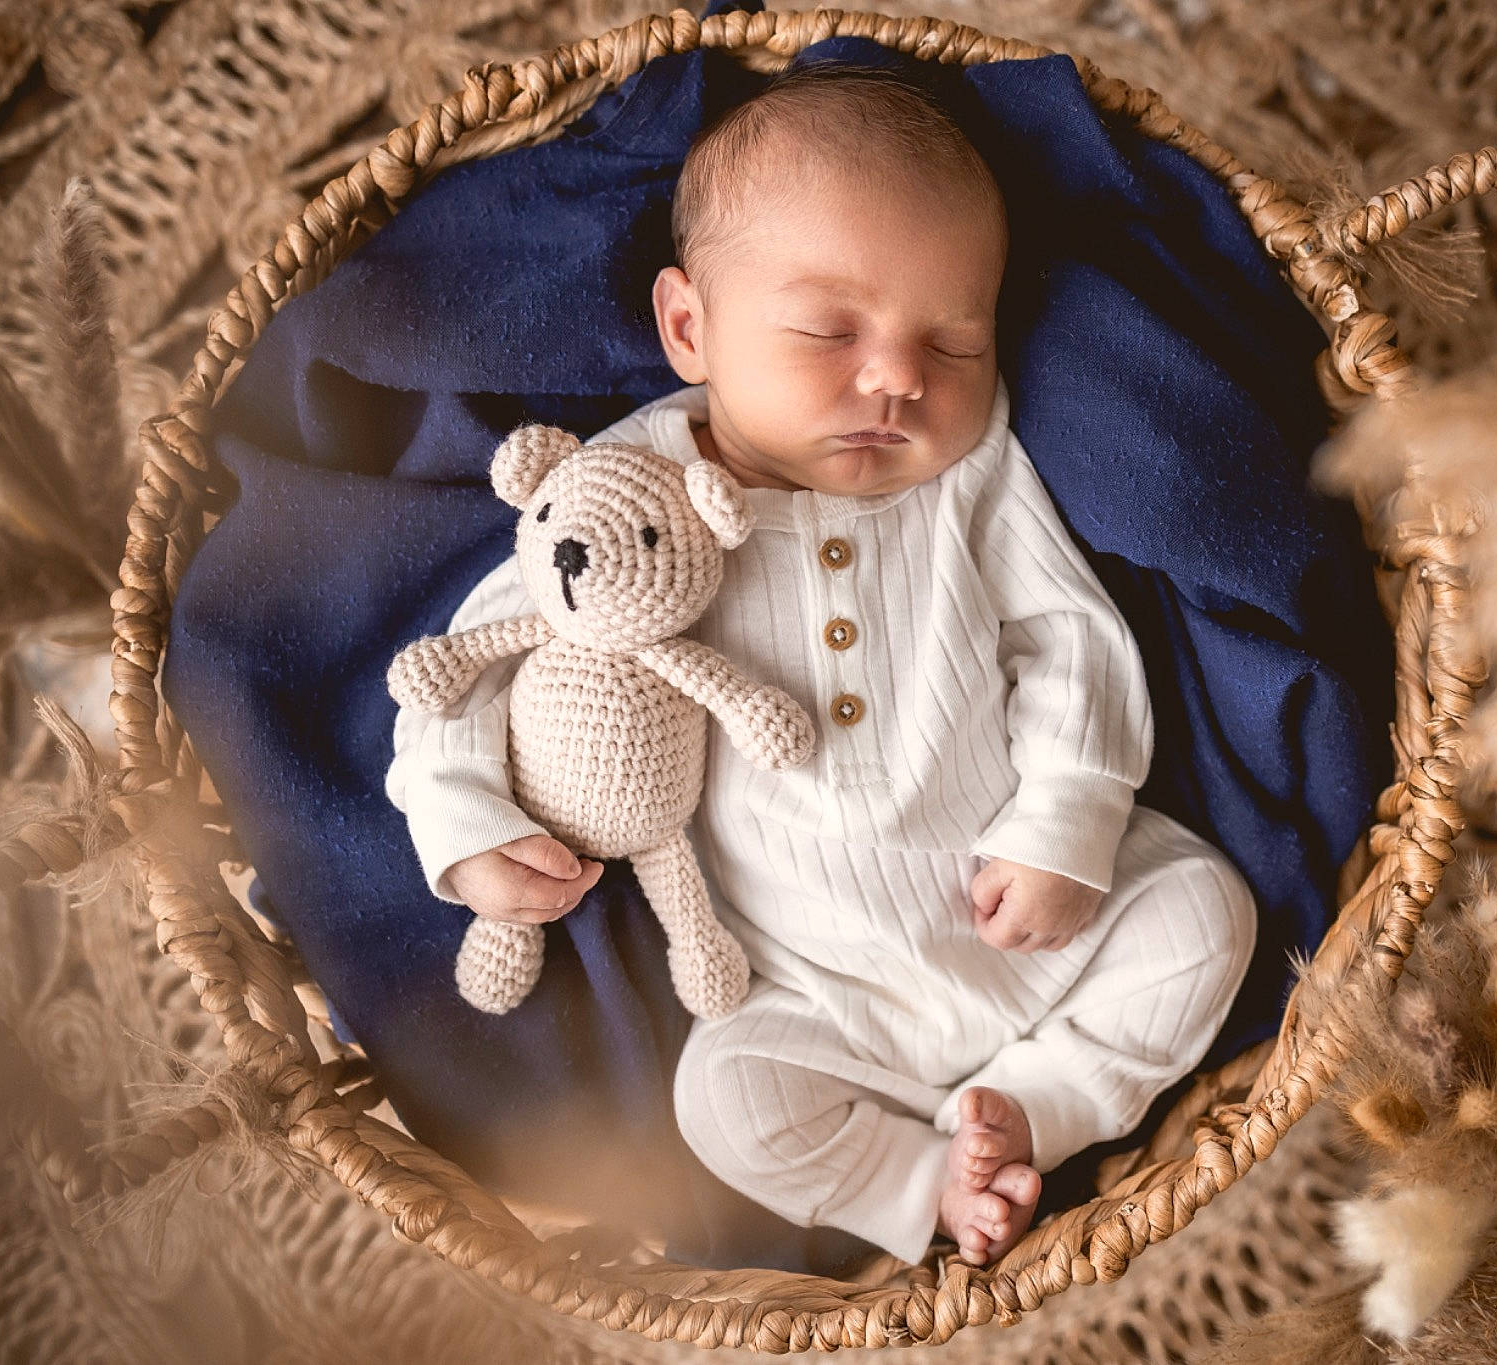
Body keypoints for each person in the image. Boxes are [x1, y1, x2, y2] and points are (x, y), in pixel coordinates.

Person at [384, 65, 1255, 1267]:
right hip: (817, 1000)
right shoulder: (622, 495)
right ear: (689, 328)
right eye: (828, 330)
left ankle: (1026, 1116)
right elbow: (469, 665)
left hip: (1040, 909)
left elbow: (1067, 638)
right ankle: (919, 1189)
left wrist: (1068, 818)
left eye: (954, 339)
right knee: (724, 1099)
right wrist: (465, 824)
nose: (898, 378)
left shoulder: (970, 472)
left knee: (1205, 912)